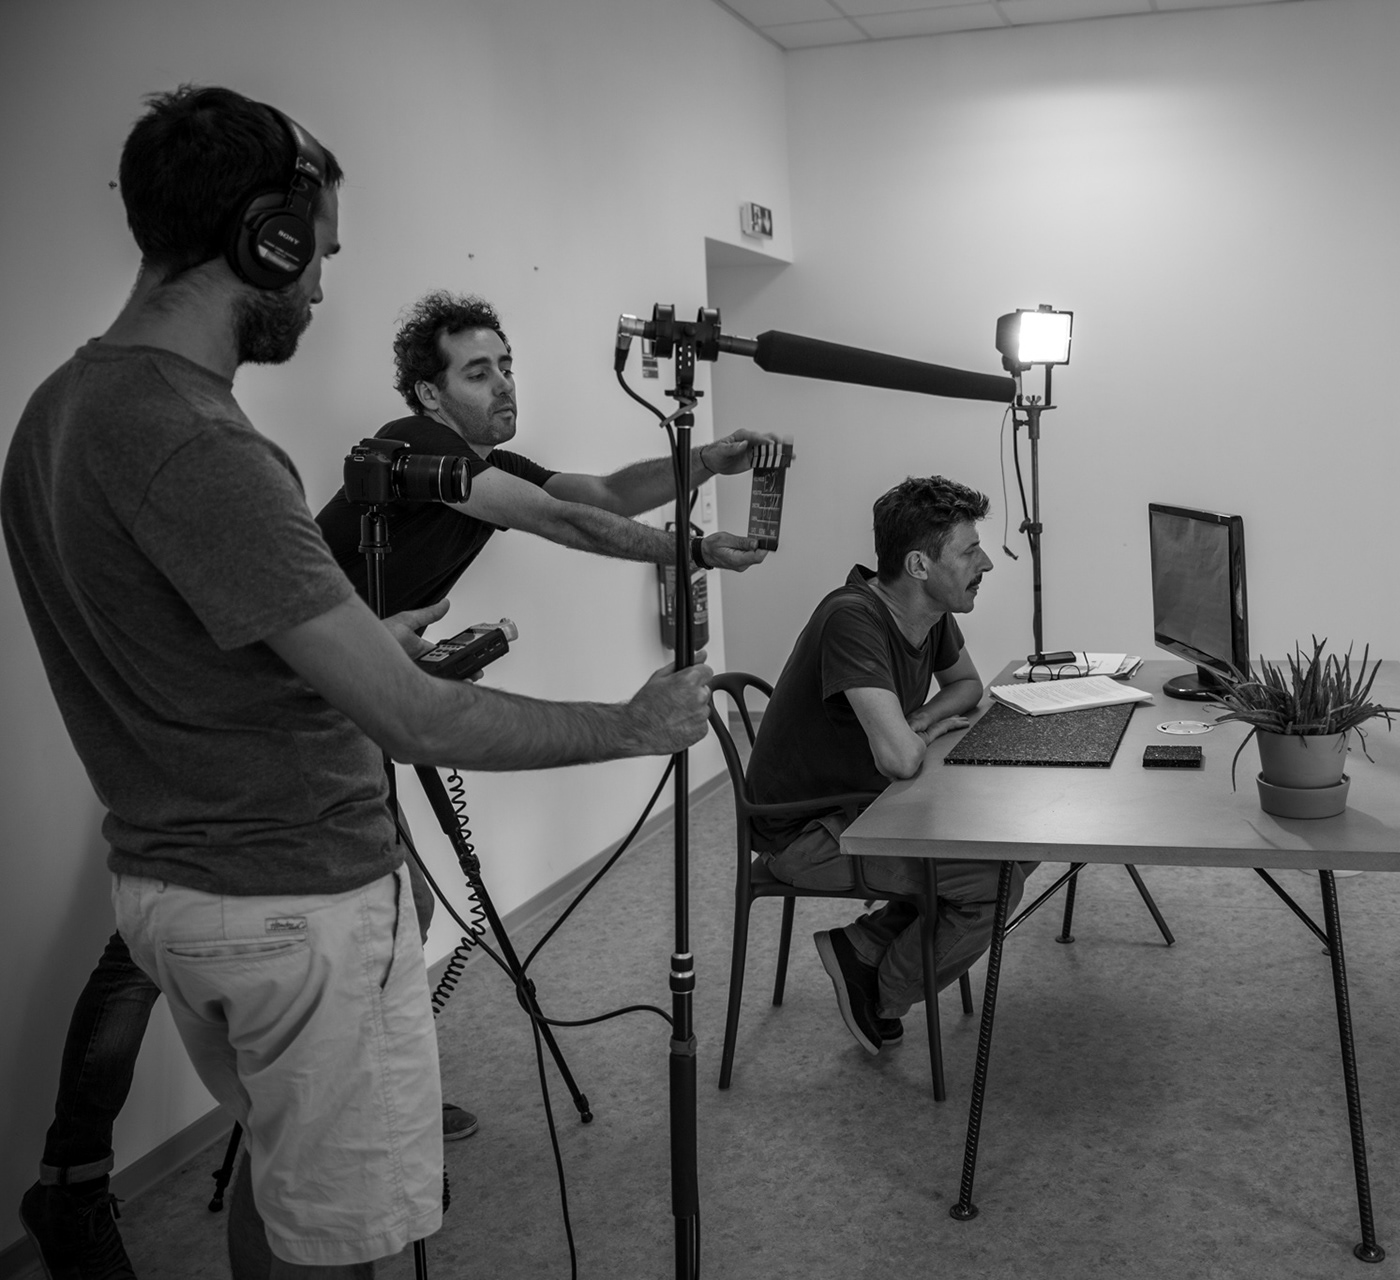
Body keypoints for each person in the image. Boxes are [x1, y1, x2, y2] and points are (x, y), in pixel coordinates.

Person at [4, 86, 711, 1279]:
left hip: (175, 881)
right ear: (266, 240)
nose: (323, 287)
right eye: (319, 252)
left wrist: (362, 638)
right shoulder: (204, 441)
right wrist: (635, 722)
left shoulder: (55, 412)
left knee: (283, 1173)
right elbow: (412, 713)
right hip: (295, 902)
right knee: (331, 1239)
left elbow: (189, 646)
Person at [746, 475, 1034, 1053]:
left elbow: (966, 685)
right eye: (969, 552)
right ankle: (882, 991)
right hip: (808, 834)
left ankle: (863, 948)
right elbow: (900, 759)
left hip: (867, 809)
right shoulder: (852, 618)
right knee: (995, 885)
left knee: (1021, 843)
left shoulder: (928, 609)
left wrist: (918, 721)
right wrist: (919, 732)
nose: (985, 564)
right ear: (919, 565)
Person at [313, 289, 778, 608]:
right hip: (297, 663)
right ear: (430, 395)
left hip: (355, 660)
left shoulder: (493, 464)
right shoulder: (415, 440)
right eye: (478, 375)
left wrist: (706, 461)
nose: (504, 385)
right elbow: (558, 518)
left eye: (506, 368)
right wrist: (696, 551)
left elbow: (609, 495)